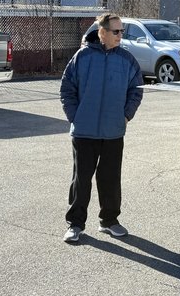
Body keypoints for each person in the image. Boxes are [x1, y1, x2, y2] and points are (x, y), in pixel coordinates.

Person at [60, 13, 143, 243]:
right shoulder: (82, 58)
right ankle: (75, 224)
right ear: (102, 33)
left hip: (113, 132)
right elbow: (67, 89)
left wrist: (126, 115)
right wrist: (75, 117)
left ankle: (109, 221)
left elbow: (136, 89)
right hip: (84, 132)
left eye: (122, 31)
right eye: (115, 31)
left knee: (110, 179)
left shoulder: (127, 60)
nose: (120, 36)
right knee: (81, 180)